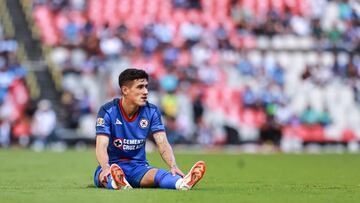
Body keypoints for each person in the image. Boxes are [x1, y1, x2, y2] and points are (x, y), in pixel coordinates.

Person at [93, 68, 206, 190]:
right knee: (104, 176)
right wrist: (105, 167)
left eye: (146, 87)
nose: (146, 91)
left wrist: (173, 165)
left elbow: (162, 142)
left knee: (161, 174)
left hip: (139, 168)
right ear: (125, 90)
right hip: (112, 165)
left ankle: (182, 183)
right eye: (140, 87)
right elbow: (101, 145)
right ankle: (116, 182)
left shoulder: (151, 111)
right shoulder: (108, 111)